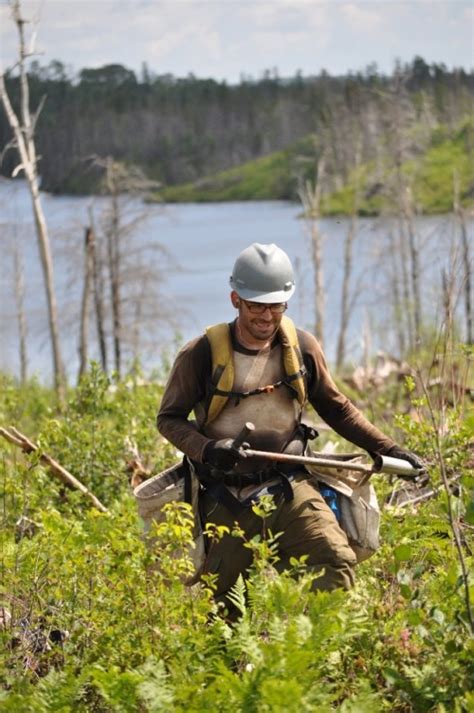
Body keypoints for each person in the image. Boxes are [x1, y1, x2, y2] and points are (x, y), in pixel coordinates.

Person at [157, 243, 423, 604]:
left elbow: (337, 409)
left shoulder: (300, 348)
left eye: (275, 306)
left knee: (335, 561)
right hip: (225, 495)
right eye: (256, 306)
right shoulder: (201, 354)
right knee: (224, 608)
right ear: (235, 299)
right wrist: (207, 449)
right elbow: (169, 419)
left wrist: (389, 449)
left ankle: (323, 655)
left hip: (290, 487)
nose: (266, 317)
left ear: (287, 302)